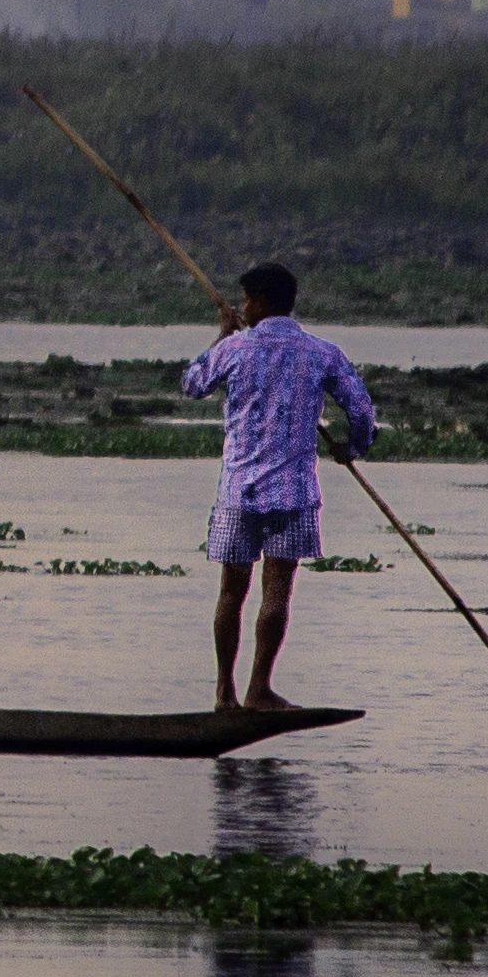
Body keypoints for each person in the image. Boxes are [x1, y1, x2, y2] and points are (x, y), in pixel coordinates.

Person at [175, 261, 376, 712]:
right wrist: (352, 448)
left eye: (247, 301)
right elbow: (362, 409)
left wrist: (223, 335)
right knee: (277, 591)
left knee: (232, 590)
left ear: (262, 301)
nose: (243, 309)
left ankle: (225, 691)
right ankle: (258, 688)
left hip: (239, 490)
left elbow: (192, 383)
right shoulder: (321, 353)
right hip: (293, 491)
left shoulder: (236, 349)